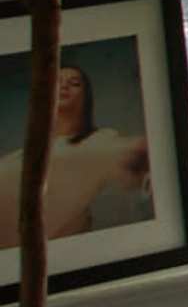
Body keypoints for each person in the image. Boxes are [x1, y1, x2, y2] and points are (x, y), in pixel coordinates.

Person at [0, 64, 155, 244]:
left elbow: (135, 152)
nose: (64, 86)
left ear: (85, 97)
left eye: (74, 83)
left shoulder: (99, 140)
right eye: (57, 82)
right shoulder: (22, 154)